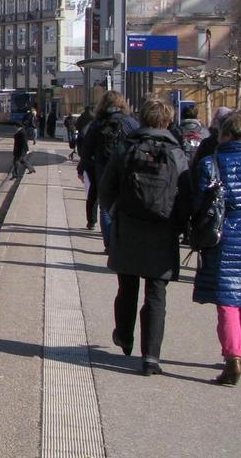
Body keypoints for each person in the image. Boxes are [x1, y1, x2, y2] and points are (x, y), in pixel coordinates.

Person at [100, 98, 190, 376]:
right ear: (167, 121)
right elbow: (186, 195)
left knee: (127, 285)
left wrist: (115, 212)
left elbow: (106, 188)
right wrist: (180, 226)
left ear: (141, 119)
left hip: (129, 225)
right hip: (162, 230)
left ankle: (124, 337)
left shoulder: (126, 148)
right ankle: (151, 357)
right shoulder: (177, 153)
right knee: (156, 293)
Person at [190, 110, 241, 385]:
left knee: (228, 300)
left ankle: (233, 356)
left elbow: (199, 202)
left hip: (224, 237)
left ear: (225, 134)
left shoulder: (211, 163)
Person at [77, 91, 137, 232]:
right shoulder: (130, 122)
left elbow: (86, 149)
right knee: (123, 203)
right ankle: (119, 236)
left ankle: (108, 243)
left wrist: (82, 169)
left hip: (102, 167)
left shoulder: (98, 123)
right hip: (125, 168)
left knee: (105, 205)